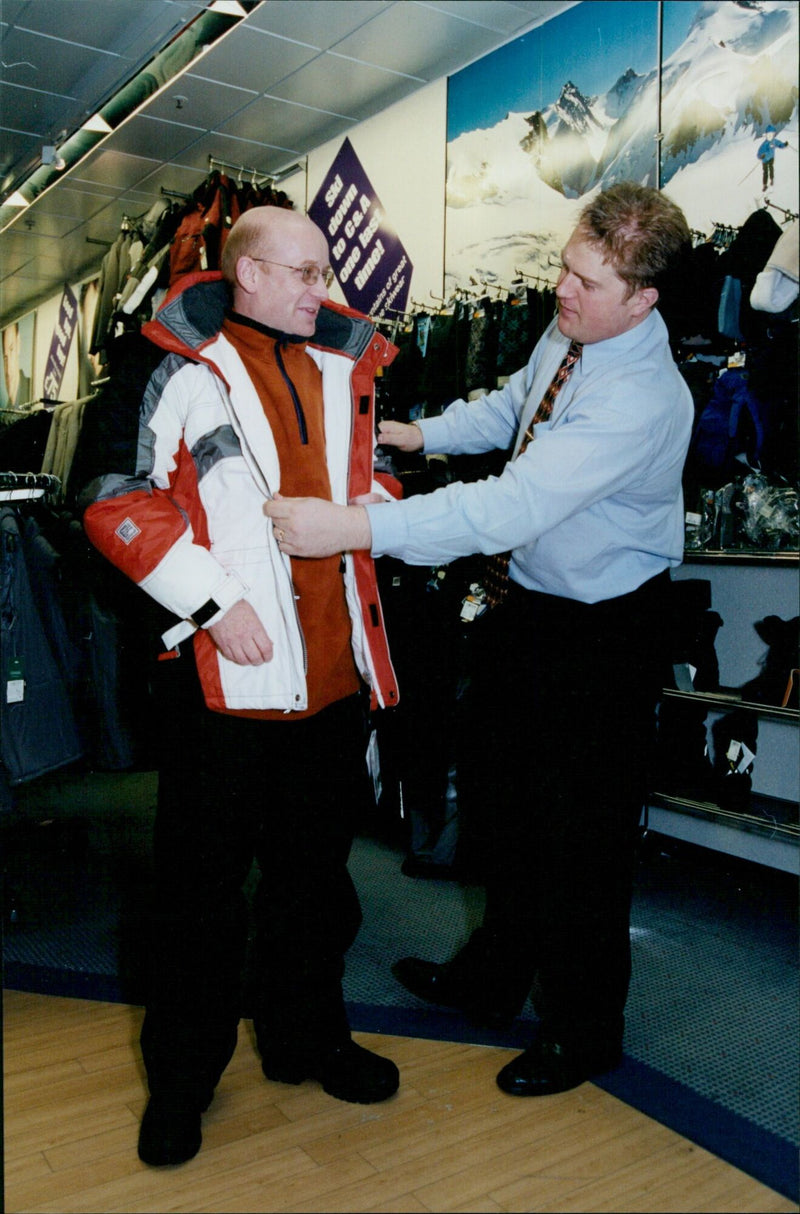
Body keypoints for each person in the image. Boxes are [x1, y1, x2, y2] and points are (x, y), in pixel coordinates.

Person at [265, 182, 694, 1098]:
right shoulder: (576, 328)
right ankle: (492, 981)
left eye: (587, 282)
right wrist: (417, 434)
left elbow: (513, 502)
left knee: (584, 837)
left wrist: (355, 526)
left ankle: (587, 1031)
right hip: (533, 606)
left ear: (644, 299)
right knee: (503, 803)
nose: (563, 293)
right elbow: (513, 408)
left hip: (607, 628)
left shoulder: (646, 399)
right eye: (565, 270)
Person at [82, 206, 401, 1168]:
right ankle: (183, 1081)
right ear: (248, 272)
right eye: (304, 272)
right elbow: (109, 495)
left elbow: (375, 477)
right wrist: (214, 601)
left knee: (316, 883)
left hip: (334, 679)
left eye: (326, 270)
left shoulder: (348, 365)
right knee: (199, 898)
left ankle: (308, 1039)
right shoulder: (168, 361)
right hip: (223, 685)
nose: (324, 289)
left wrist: (362, 515)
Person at [756, 124, 788, 192]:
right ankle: (765, 185)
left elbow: (779, 144)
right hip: (765, 160)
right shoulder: (764, 144)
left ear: (774, 134)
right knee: (765, 172)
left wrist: (784, 144)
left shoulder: (774, 141)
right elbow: (759, 153)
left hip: (771, 158)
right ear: (767, 135)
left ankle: (772, 179)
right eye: (769, 134)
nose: (770, 136)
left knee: (771, 168)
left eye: (772, 134)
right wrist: (761, 156)